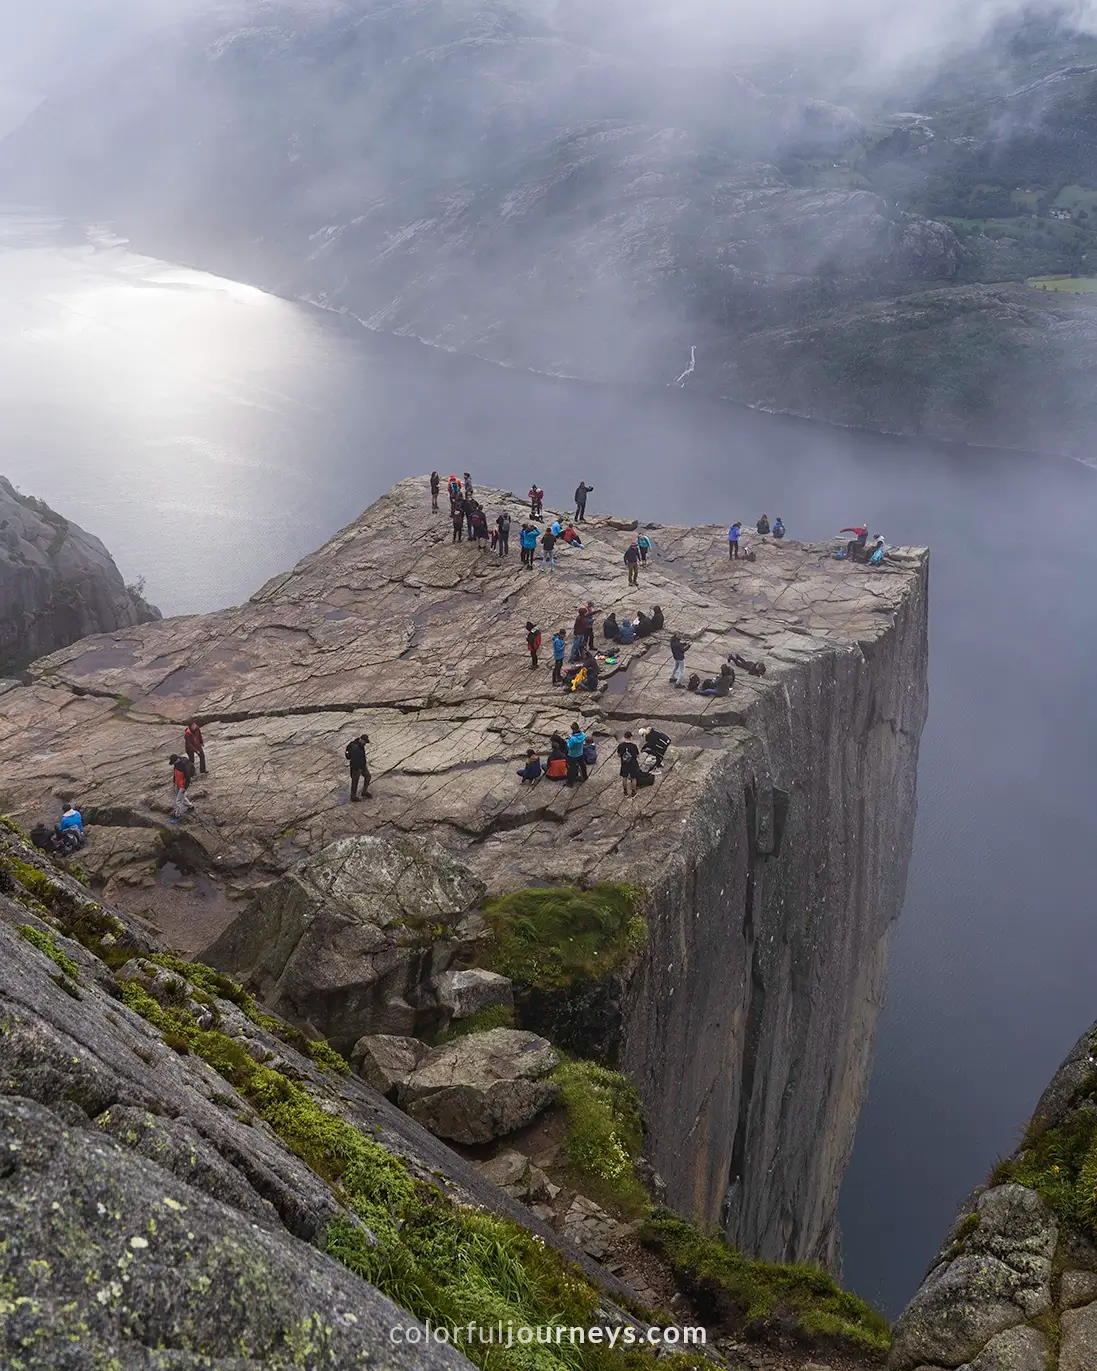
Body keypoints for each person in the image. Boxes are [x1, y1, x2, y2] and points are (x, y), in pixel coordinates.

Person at [345, 733, 371, 801]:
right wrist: (357, 768)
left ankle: (364, 792)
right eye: (365, 742)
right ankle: (353, 796)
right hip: (356, 767)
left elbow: (348, 755)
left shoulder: (360, 745)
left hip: (362, 765)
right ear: (361, 740)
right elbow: (350, 757)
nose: (365, 744)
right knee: (355, 781)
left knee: (368, 776)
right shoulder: (354, 747)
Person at [169, 753, 196, 818]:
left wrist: (185, 787)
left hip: (183, 784)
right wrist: (174, 781)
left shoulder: (184, 764)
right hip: (178, 783)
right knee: (182, 797)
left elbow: (188, 777)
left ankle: (178, 814)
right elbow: (175, 773)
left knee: (178, 800)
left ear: (176, 760)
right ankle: (190, 806)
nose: (173, 764)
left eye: (173, 762)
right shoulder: (176, 763)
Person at [617, 731, 641, 798]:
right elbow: (637, 755)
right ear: (631, 737)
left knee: (624, 777)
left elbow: (619, 755)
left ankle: (625, 792)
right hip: (633, 764)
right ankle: (633, 792)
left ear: (624, 737)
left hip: (624, 764)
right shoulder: (633, 746)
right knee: (633, 778)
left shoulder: (620, 745)